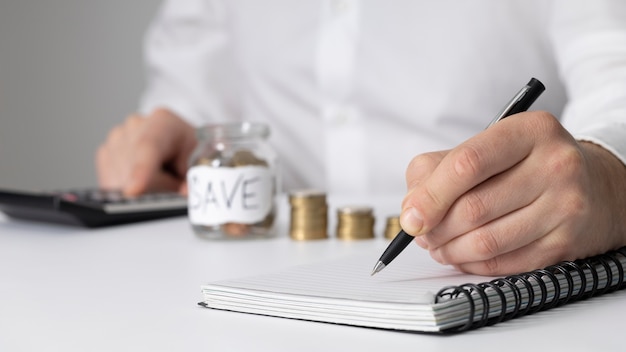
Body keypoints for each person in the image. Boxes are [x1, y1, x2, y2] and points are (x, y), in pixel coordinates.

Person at [96, 0, 626, 276]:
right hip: (250, 267)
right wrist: (177, 130)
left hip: (507, 263)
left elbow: (617, 77)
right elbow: (194, 81)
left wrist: (605, 176)